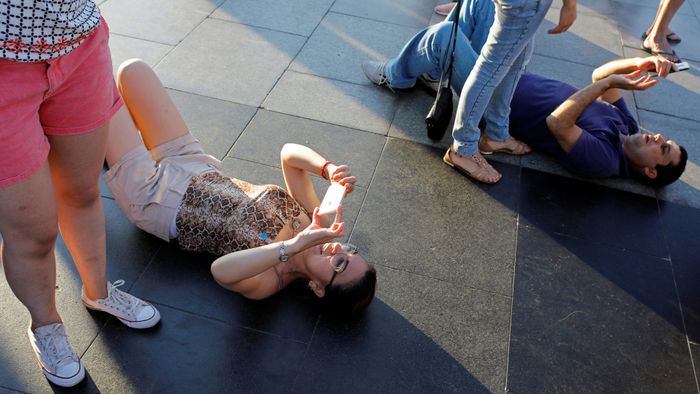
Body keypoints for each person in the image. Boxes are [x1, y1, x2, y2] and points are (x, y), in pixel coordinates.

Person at [104, 59, 377, 316]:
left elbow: (221, 271)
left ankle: (100, 142)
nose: (337, 251)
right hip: (193, 164)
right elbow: (289, 155)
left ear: (318, 288)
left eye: (339, 265)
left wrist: (294, 246)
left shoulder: (271, 279)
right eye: (349, 251)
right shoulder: (313, 221)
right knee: (133, 71)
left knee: (98, 92)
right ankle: (107, 143)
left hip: (155, 199)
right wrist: (327, 169)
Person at [0, 1, 160, 388]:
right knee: (33, 232)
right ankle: (47, 327)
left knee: (83, 191)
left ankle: (99, 292)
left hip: (79, 45)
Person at [361, 0, 687, 186]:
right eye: (665, 139)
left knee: (444, 36)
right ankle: (435, 70)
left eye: (663, 148)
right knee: (483, 5)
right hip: (509, 80)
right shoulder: (626, 128)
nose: (657, 137)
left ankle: (396, 76)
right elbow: (600, 75)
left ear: (650, 171)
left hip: (492, 99)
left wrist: (606, 87)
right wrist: (642, 63)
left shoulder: (604, 160)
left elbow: (558, 123)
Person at [365, 0, 576, 183]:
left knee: (452, 35)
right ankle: (470, 142)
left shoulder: (602, 145)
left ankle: (410, 74)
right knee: (466, 27)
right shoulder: (604, 121)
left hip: (496, 98)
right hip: (498, 89)